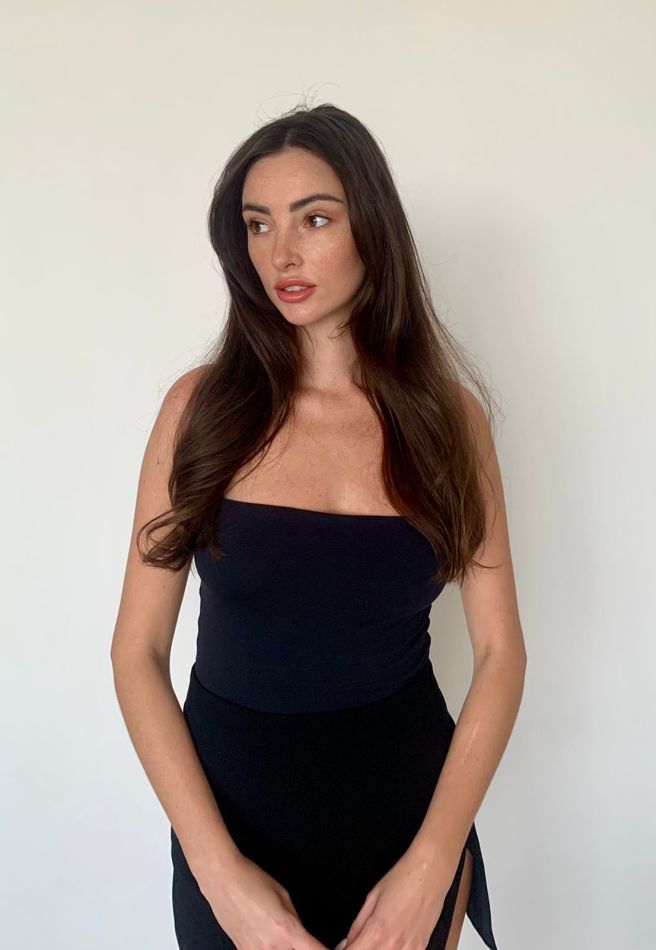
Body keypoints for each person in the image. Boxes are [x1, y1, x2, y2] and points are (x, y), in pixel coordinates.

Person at [110, 102, 526, 950]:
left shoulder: (449, 422)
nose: (281, 254)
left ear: (372, 226)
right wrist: (219, 875)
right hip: (232, 830)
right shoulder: (201, 410)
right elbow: (136, 655)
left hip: (406, 824)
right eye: (258, 224)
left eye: (315, 219)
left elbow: (499, 654)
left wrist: (432, 862)